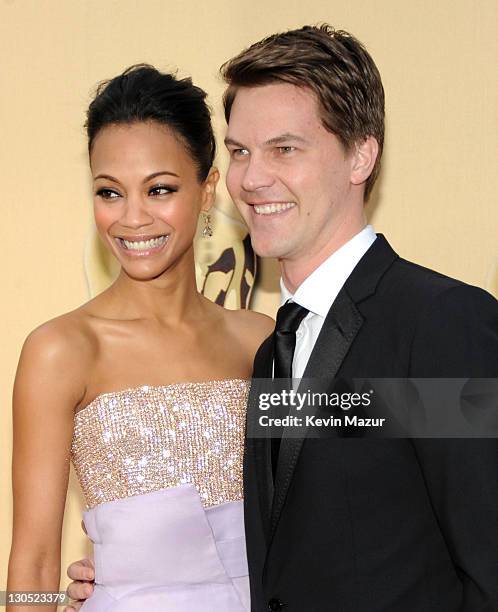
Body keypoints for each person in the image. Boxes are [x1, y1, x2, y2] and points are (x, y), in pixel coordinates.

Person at [66, 25, 498, 612]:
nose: (252, 178)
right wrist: (135, 575)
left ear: (361, 155)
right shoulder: (274, 348)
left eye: (284, 148)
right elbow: (297, 536)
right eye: (240, 151)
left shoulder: (440, 323)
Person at [7, 64, 273, 612]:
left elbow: (333, 495)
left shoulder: (261, 340)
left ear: (207, 191)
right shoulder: (62, 349)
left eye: (159, 189)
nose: (132, 218)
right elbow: (32, 561)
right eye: (109, 192)